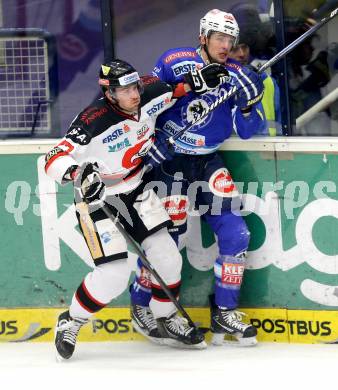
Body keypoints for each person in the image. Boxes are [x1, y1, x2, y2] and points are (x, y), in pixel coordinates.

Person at [44, 58, 227, 359]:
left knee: (168, 256)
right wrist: (77, 174)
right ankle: (71, 320)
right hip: (97, 201)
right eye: (125, 90)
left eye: (135, 87)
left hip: (137, 188)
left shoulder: (148, 92)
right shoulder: (92, 120)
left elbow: (177, 89)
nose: (134, 94)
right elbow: (54, 157)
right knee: (114, 274)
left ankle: (166, 317)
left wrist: (202, 79)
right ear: (109, 94)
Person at [130, 9, 266, 347]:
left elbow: (252, 131)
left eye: (230, 40)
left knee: (236, 232)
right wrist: (151, 141)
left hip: (207, 161)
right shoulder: (175, 61)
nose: (225, 45)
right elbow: (142, 103)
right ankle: (142, 305)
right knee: (167, 241)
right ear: (203, 37)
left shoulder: (236, 75)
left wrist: (250, 104)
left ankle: (224, 310)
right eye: (219, 38)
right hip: (171, 160)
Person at [229, 42, 282, 136]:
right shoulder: (223, 83)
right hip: (238, 146)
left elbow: (280, 116)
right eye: (235, 49)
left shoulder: (268, 80)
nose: (242, 54)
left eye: (244, 48)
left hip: (271, 144)